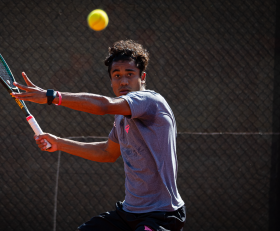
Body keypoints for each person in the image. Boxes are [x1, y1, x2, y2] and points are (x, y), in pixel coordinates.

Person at [11, 40, 186, 231]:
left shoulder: (149, 101)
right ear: (111, 80)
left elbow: (104, 106)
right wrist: (59, 143)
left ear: (142, 77)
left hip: (161, 215)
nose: (123, 81)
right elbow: (106, 152)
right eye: (117, 75)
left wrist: (52, 96)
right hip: (128, 213)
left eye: (130, 74)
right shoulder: (122, 116)